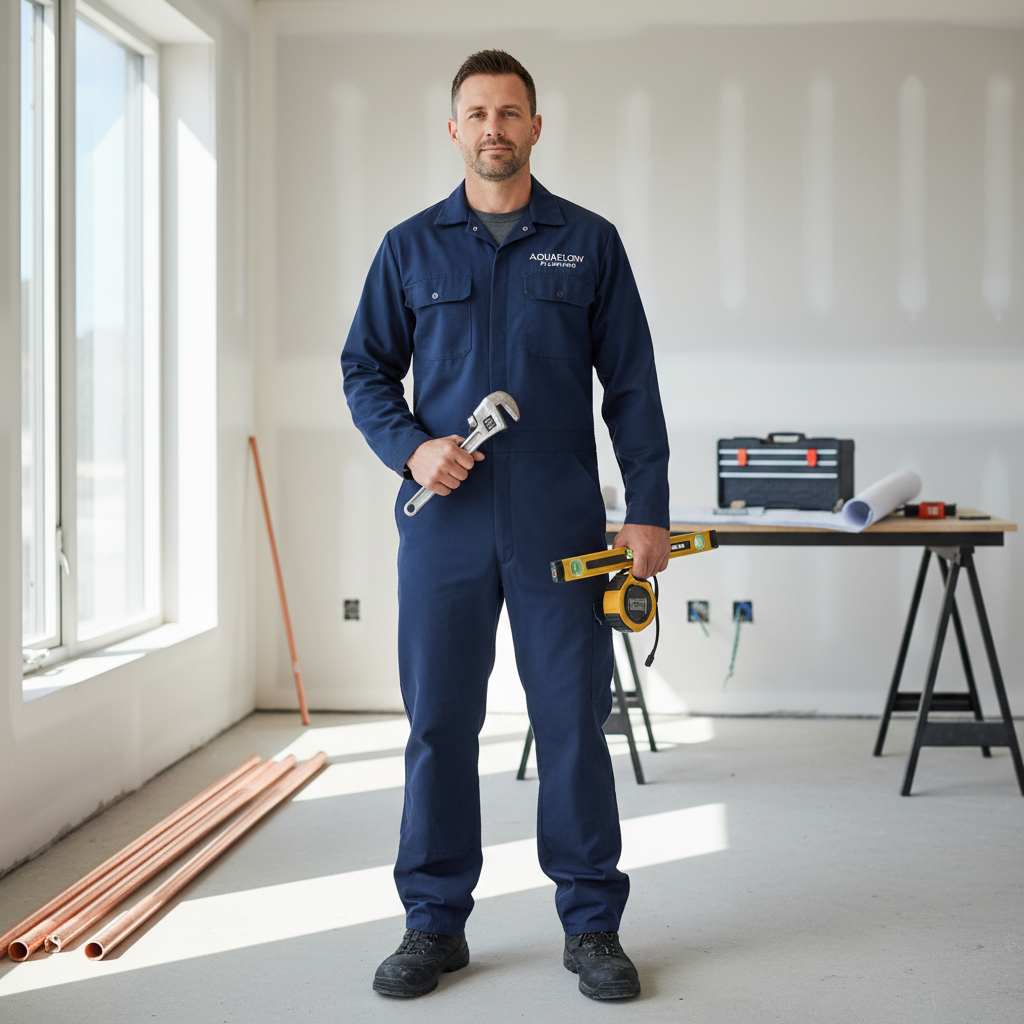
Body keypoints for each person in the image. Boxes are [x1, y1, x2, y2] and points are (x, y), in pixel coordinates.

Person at [341, 49, 670, 1001]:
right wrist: (411, 448)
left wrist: (645, 510)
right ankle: (433, 923)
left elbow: (634, 384)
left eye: (511, 111)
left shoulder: (590, 242)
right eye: (477, 112)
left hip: (562, 527)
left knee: (572, 721)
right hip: (444, 523)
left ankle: (593, 926)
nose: (494, 126)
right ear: (455, 130)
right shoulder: (410, 247)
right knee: (440, 722)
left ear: (535, 126)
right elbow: (365, 370)